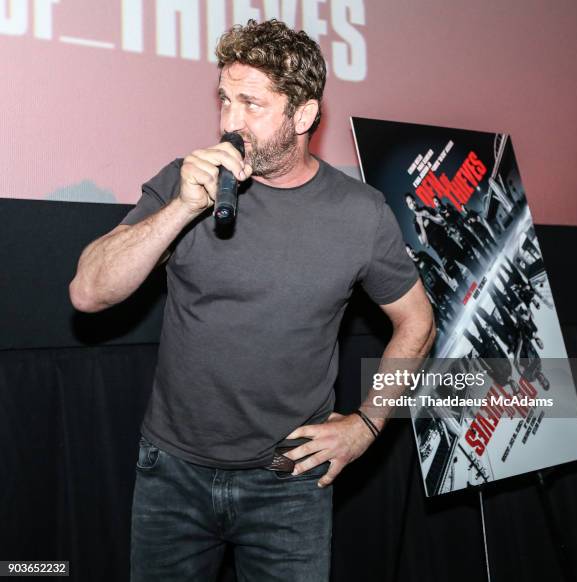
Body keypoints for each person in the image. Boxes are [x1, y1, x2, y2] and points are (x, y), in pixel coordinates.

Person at [69, 19, 435, 582]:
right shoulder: (186, 181)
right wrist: (180, 210)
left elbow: (417, 323)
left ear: (305, 115)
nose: (230, 122)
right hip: (172, 473)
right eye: (224, 99)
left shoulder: (360, 214)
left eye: (251, 104)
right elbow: (88, 292)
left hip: (288, 482)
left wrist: (365, 424)